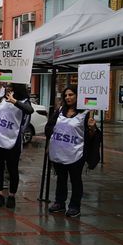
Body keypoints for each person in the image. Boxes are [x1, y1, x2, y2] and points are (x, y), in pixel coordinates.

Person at [0, 71, 34, 209]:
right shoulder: (3, 99)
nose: (7, 88)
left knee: (12, 169)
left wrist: (14, 101)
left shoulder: (23, 101)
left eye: (10, 86)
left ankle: (12, 195)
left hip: (12, 140)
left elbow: (29, 110)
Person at [45, 86, 100, 217]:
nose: (68, 97)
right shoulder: (59, 111)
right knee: (61, 179)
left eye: (71, 95)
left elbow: (93, 136)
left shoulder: (86, 114)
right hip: (59, 152)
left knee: (75, 180)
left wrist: (92, 129)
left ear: (77, 96)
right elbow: (49, 127)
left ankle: (74, 206)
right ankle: (59, 202)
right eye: (66, 95)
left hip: (76, 154)